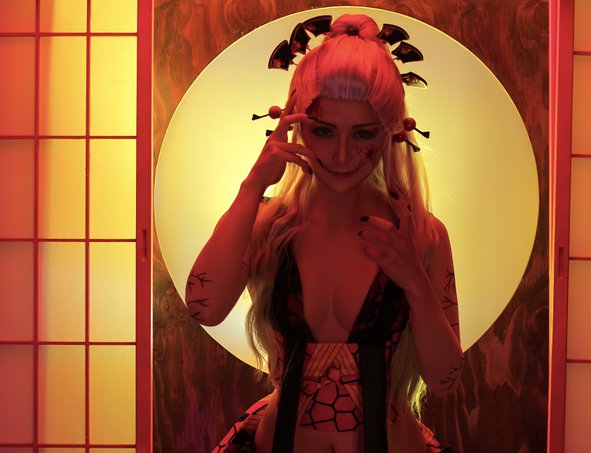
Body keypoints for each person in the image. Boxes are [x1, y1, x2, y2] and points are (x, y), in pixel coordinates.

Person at [185, 13, 464, 453]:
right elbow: (204, 308)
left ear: (390, 132)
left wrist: (415, 282)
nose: (341, 155)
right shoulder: (267, 225)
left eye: (363, 134)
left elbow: (445, 380)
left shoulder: (421, 235)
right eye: (323, 131)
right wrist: (253, 185)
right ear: (294, 123)